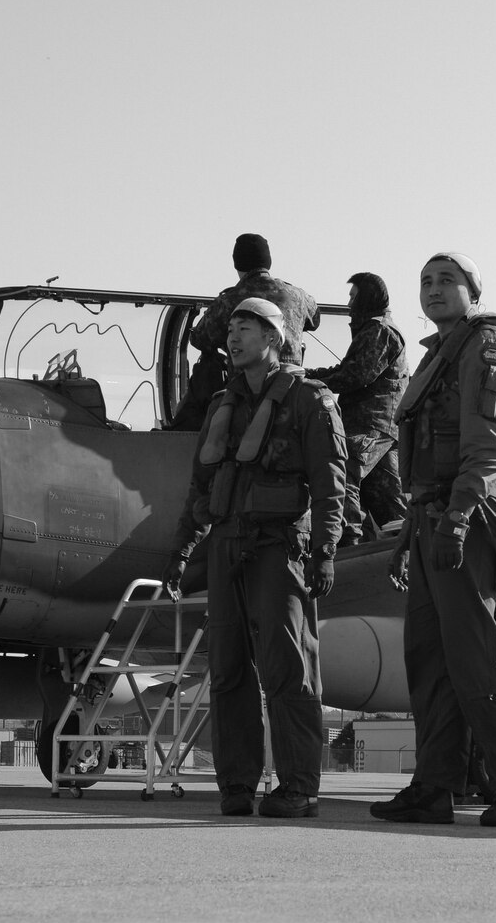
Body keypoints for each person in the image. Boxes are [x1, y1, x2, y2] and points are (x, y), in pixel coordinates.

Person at [370, 253, 496, 828]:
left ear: (473, 291)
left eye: (447, 280)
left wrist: (459, 519)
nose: (434, 289)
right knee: (430, 661)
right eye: (425, 281)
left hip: (464, 518)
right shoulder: (440, 356)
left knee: (475, 659)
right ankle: (434, 787)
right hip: (429, 520)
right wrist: (407, 537)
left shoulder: (483, 351)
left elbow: (489, 451)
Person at [166, 298, 346, 819]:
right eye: (232, 328)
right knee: (226, 671)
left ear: (274, 337)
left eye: (246, 328)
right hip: (225, 545)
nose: (234, 336)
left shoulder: (311, 400)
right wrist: (180, 550)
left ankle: (298, 787)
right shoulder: (223, 404)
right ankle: (237, 785)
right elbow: (200, 488)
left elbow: (331, 484)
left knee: (288, 669)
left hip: (278, 546)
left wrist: (325, 552)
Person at [171, 234, 320, 431]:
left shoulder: (231, 300)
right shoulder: (297, 296)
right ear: (268, 261)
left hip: (248, 397)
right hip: (292, 391)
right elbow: (315, 320)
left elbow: (200, 339)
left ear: (236, 263)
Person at [306, 272, 406, 544]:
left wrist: (310, 383)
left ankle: (348, 541)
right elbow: (347, 370)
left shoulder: (379, 331)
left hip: (372, 424)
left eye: (353, 297)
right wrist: (309, 375)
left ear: (367, 297)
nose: (349, 304)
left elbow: (356, 375)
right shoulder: (374, 330)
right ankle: (399, 550)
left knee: (344, 467)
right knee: (385, 500)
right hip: (378, 424)